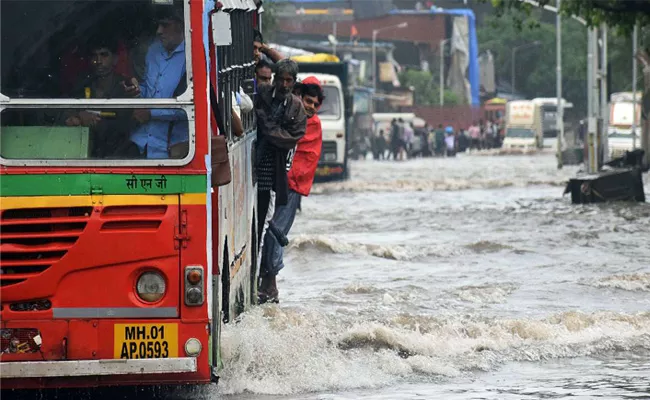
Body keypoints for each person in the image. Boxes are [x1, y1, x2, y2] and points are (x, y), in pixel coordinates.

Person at [258, 76, 324, 303]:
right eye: (308, 101)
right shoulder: (293, 115)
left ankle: (271, 284)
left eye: (315, 104)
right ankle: (267, 282)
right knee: (269, 230)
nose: (311, 108)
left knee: (275, 233)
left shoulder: (309, 123)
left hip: (292, 187)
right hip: (280, 183)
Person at [255, 59, 307, 287]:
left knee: (266, 220)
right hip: (253, 163)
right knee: (257, 220)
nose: (285, 84)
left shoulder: (297, 107)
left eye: (289, 80)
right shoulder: (263, 94)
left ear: (294, 82)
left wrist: (268, 129)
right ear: (275, 78)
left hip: (275, 171)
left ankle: (263, 275)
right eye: (282, 79)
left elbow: (291, 138)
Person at [129, 5, 188, 159]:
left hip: (174, 149)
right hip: (143, 142)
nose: (159, 31)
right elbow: (149, 91)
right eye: (158, 25)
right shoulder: (153, 51)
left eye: (165, 25)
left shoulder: (192, 56)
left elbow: (192, 104)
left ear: (181, 25)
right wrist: (136, 91)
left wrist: (151, 113)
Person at [64, 35, 138, 158]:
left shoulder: (125, 87)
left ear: (115, 59)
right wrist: (78, 115)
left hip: (119, 154)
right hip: (82, 150)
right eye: (94, 56)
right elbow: (63, 108)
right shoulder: (82, 84)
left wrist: (93, 121)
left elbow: (125, 125)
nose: (98, 61)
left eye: (104, 55)